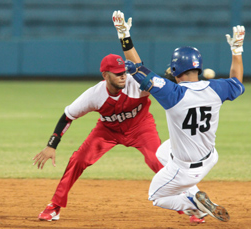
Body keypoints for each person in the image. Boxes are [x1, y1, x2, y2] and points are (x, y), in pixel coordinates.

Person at [112, 10, 245, 223]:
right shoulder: (216, 88)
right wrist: (237, 50)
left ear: (174, 69)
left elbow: (139, 68)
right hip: (210, 156)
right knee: (162, 151)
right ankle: (194, 194)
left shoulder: (172, 94)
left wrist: (124, 36)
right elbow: (237, 81)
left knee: (155, 196)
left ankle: (195, 204)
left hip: (185, 168)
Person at [32, 53, 165, 221]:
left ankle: (190, 205)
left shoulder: (137, 84)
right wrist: (52, 145)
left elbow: (163, 88)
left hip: (141, 127)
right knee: (78, 159)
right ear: (105, 75)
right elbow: (67, 116)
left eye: (123, 71)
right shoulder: (94, 94)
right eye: (117, 73)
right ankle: (54, 206)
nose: (122, 75)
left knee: (158, 160)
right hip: (107, 130)